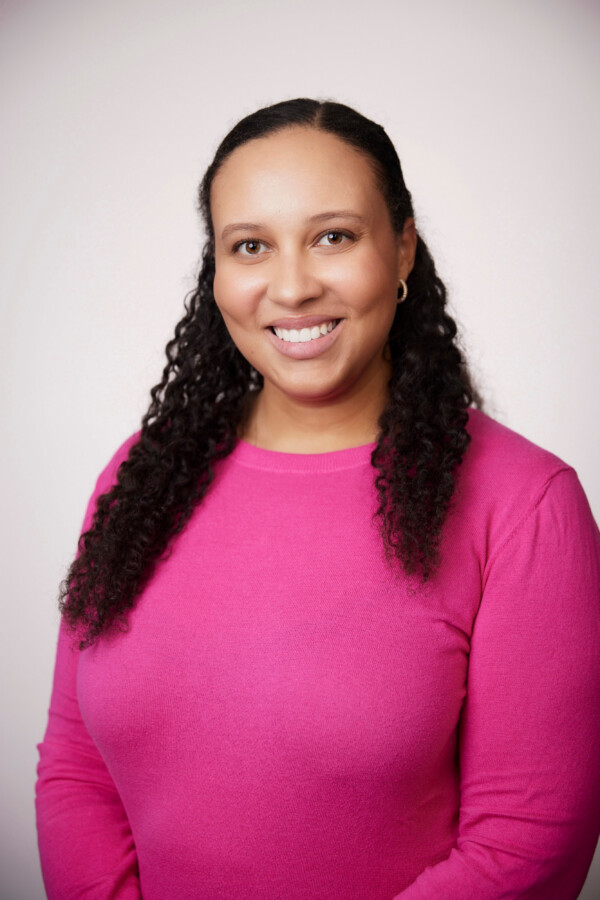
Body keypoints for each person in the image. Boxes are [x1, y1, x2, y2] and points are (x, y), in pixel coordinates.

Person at [35, 98, 600, 900]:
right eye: (251, 246)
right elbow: (74, 766)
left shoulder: (526, 505)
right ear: (218, 270)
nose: (292, 287)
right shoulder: (141, 477)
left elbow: (528, 839)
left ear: (402, 246)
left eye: (333, 236)